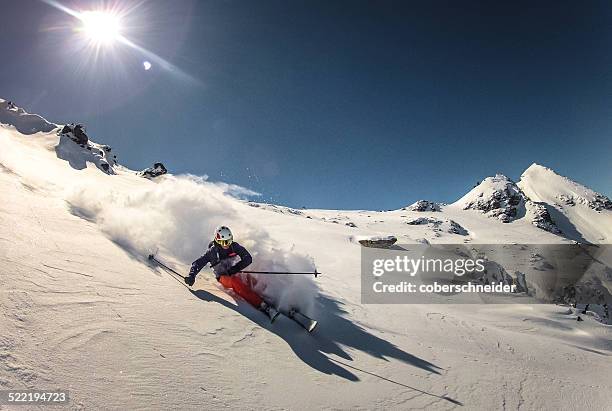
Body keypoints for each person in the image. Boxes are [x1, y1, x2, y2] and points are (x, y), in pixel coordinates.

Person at [186, 226, 275, 316]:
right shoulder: (212, 252)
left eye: (229, 241)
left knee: (249, 278)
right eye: (224, 242)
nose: (227, 244)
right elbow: (198, 263)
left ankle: (272, 299)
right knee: (235, 282)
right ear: (218, 241)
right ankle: (261, 305)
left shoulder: (234, 246)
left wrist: (234, 269)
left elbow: (248, 258)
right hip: (222, 277)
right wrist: (191, 275)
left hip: (234, 272)